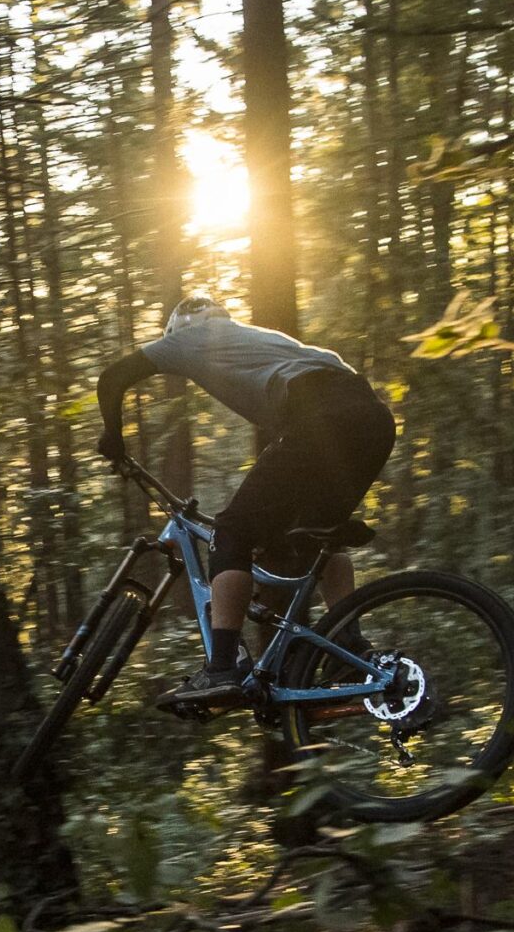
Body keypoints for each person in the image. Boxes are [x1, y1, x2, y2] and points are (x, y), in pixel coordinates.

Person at [95, 295, 396, 712]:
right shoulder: (263, 340)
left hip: (321, 415)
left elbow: (114, 377)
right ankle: (350, 649)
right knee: (311, 539)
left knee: (231, 532)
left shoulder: (190, 338)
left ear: (178, 329)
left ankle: (221, 667)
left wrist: (112, 435)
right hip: (372, 420)